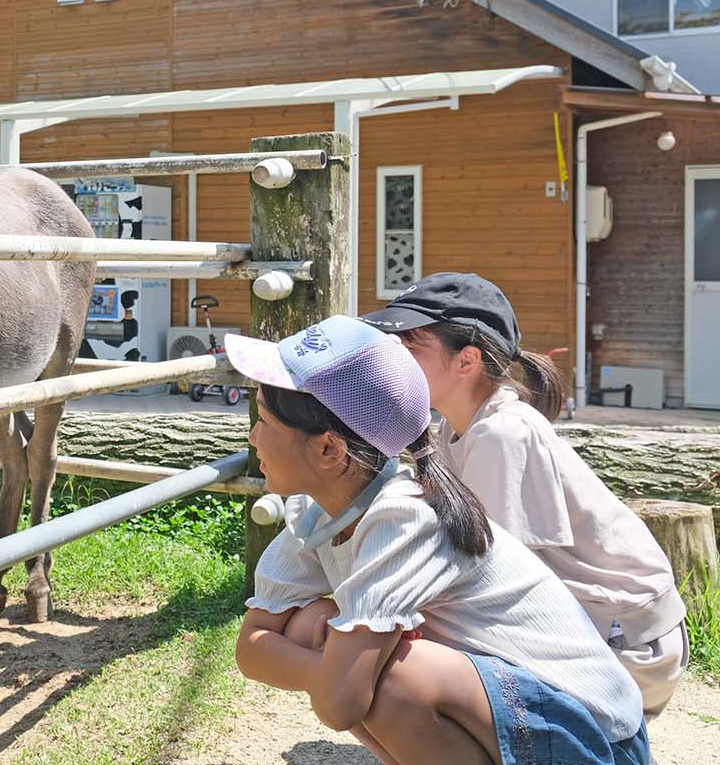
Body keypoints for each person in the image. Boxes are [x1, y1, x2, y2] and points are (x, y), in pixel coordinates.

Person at [227, 315, 649, 765]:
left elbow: (339, 704)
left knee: (392, 679)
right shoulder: (320, 517)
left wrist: (335, 670)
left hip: (594, 739)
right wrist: (331, 666)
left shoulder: (404, 517)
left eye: (265, 422)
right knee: (323, 636)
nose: (252, 438)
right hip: (523, 711)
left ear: (329, 449)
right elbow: (252, 647)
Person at [363, 273, 688, 719]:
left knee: (404, 658)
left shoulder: (503, 432)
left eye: (411, 347)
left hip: (628, 648)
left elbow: (493, 580)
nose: (394, 360)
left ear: (467, 360)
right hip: (599, 630)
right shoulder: (455, 427)